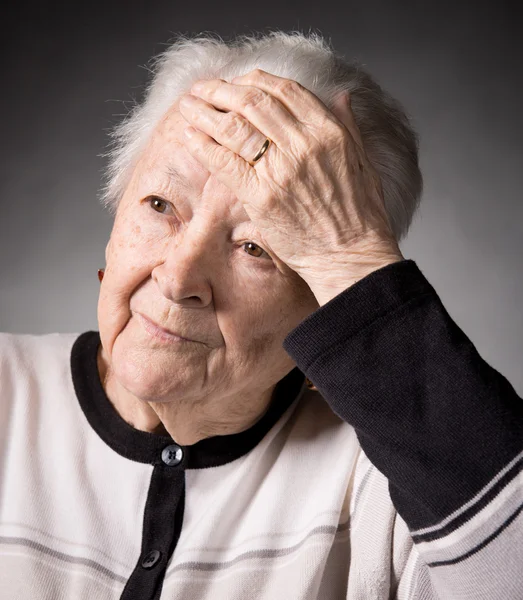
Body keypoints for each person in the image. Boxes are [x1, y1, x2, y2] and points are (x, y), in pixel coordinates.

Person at [0, 29, 521, 600]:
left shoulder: (393, 482)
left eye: (255, 247)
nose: (177, 278)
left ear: (327, 302)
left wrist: (352, 253)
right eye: (159, 204)